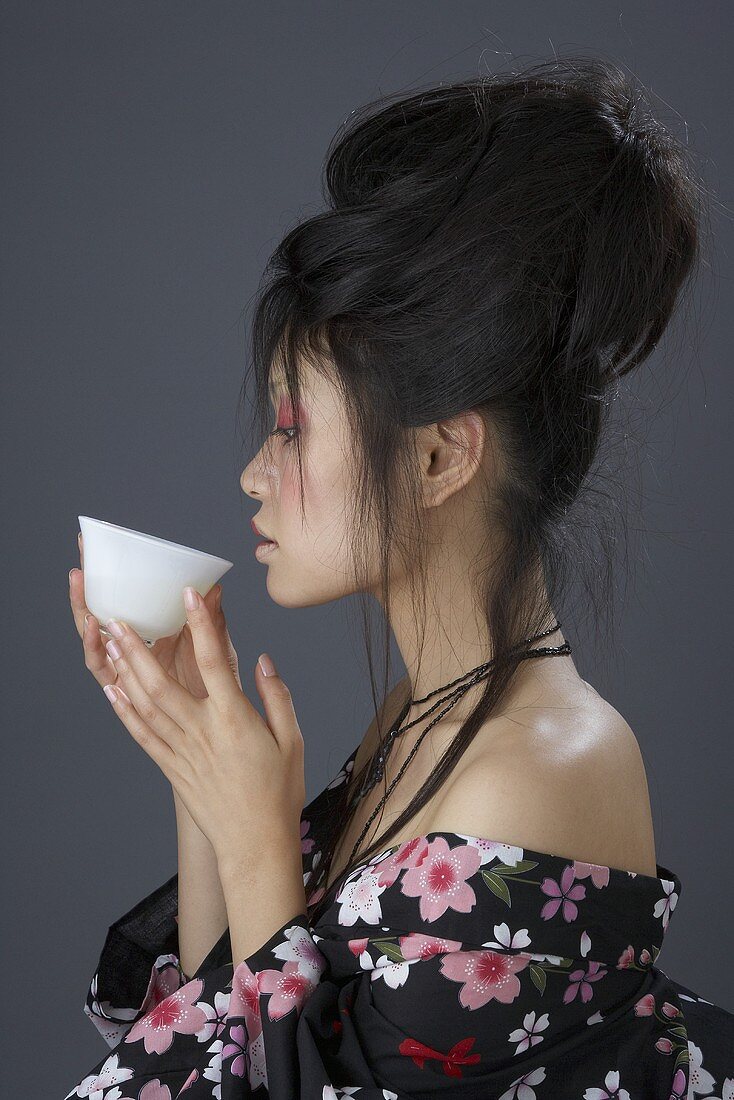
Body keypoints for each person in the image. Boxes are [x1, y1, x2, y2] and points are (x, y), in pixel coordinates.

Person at [64, 56, 732, 1099]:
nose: (253, 470)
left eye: (290, 425)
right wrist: (201, 764)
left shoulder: (538, 766)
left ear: (435, 458)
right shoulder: (418, 716)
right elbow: (222, 1030)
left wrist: (253, 837)